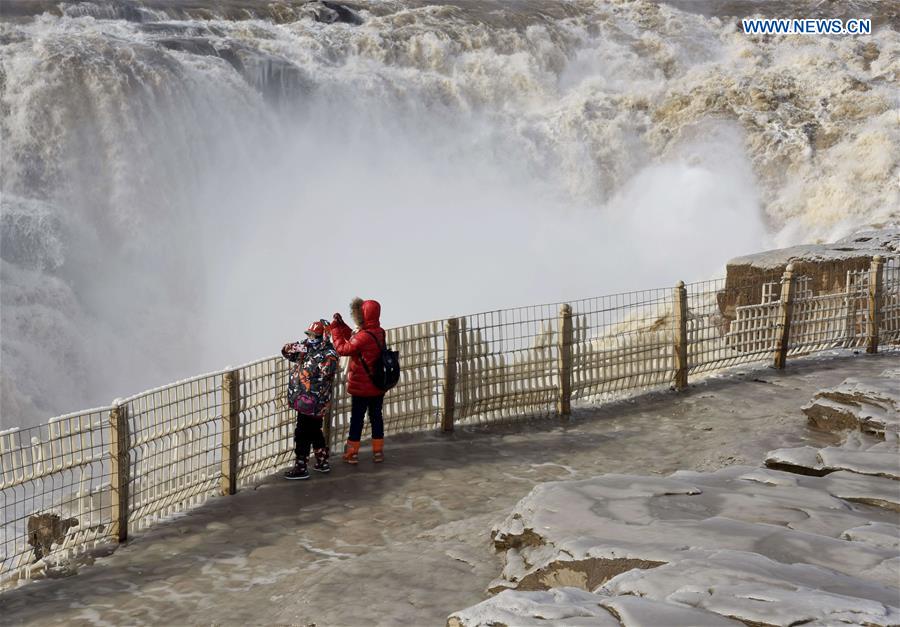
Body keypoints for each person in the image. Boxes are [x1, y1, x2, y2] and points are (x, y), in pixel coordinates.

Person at [330, 298, 386, 464]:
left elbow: (343, 349)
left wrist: (334, 329)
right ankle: (378, 452)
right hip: (377, 384)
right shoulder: (380, 332)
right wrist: (342, 326)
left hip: (361, 388)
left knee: (357, 420)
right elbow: (355, 338)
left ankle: (352, 454)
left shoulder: (363, 336)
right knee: (376, 417)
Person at [281, 320, 339, 480]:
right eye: (309, 334)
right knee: (314, 430)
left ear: (323, 337)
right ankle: (322, 461)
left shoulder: (329, 354)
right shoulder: (306, 347)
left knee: (302, 432)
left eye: (315, 336)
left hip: (315, 400)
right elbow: (288, 353)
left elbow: (327, 372)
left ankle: (301, 466)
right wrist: (289, 348)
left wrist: (313, 362)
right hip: (304, 398)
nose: (311, 338)